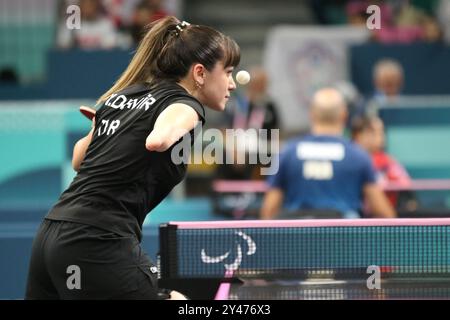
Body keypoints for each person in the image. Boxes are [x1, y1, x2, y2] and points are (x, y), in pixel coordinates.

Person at [26, 16, 240, 300]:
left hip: (51, 234)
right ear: (200, 73)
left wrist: (102, 126)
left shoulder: (125, 97)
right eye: (228, 72)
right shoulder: (187, 105)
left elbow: (79, 160)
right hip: (97, 238)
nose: (233, 83)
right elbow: (158, 139)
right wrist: (163, 133)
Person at [260, 88, 396, 220]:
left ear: (311, 114)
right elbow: (385, 214)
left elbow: (269, 211)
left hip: (296, 239)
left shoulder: (285, 154)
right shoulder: (359, 156)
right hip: (344, 239)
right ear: (344, 115)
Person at [351, 115, 415, 210]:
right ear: (358, 135)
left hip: (386, 219)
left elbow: (408, 194)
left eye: (381, 132)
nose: (380, 137)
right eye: (373, 132)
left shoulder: (390, 163)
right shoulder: (349, 161)